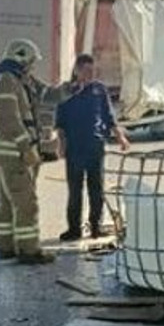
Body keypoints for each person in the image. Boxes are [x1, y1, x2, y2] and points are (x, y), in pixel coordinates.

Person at [0, 39, 55, 264]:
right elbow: (9, 120)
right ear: (21, 58)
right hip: (13, 153)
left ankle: (6, 247)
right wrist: (26, 148)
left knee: (7, 203)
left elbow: (47, 94)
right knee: (26, 203)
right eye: (31, 62)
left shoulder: (8, 78)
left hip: (2, 154)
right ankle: (28, 250)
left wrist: (72, 87)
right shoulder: (7, 81)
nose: (33, 67)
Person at [55, 54, 130, 241]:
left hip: (95, 146)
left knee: (96, 190)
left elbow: (109, 115)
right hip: (75, 147)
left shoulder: (99, 90)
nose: (89, 75)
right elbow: (60, 122)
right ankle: (74, 229)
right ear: (77, 70)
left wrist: (120, 137)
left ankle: (95, 226)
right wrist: (61, 145)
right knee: (75, 191)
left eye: (92, 71)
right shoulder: (66, 91)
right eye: (85, 71)